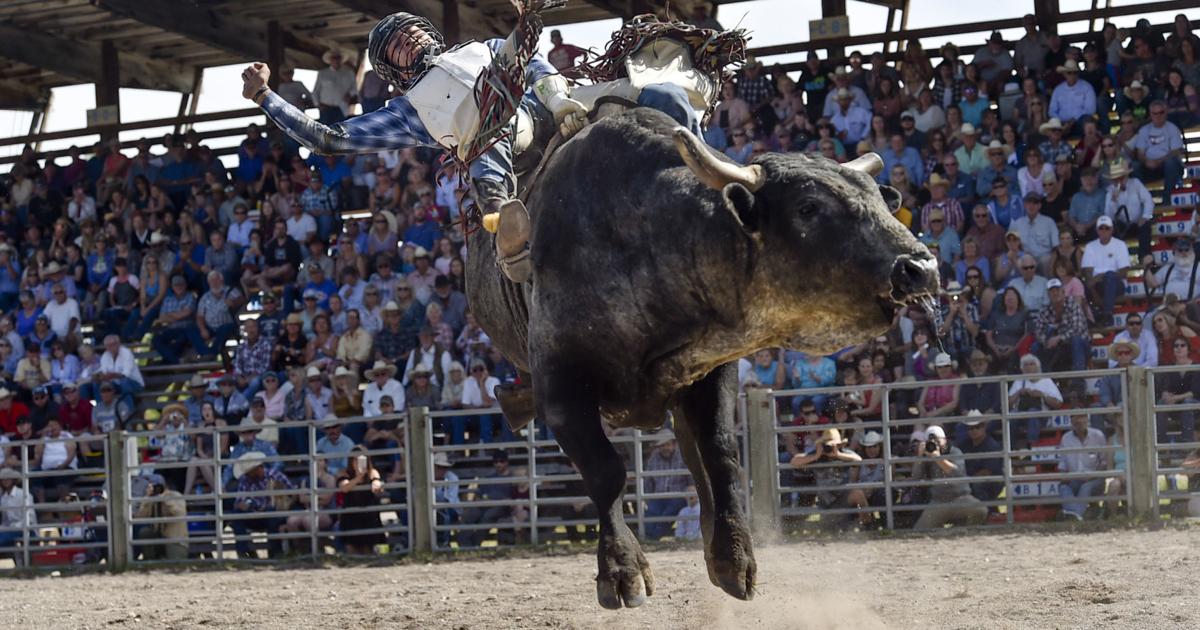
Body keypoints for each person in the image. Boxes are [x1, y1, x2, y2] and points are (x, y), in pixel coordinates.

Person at [911, 425, 987, 529]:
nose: (934, 444)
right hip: (938, 501)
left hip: (961, 498)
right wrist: (920, 457)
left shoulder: (955, 451)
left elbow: (957, 473)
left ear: (945, 439)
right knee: (919, 530)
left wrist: (938, 458)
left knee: (981, 510)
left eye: (937, 440)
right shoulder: (926, 455)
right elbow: (916, 477)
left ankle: (962, 530)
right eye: (931, 441)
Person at [229, 451, 292, 559]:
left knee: (272, 514)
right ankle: (243, 552)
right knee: (237, 514)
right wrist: (241, 505)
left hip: (273, 514)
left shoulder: (275, 476)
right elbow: (239, 501)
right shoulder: (246, 480)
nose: (247, 474)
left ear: (257, 468)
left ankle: (275, 551)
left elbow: (291, 493)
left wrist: (279, 504)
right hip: (254, 515)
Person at [790, 428, 861, 518]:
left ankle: (867, 524)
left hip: (844, 499)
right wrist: (816, 456)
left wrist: (838, 455)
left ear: (839, 445)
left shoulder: (844, 453)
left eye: (833, 445)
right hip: (826, 503)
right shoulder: (817, 455)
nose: (829, 448)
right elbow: (794, 462)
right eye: (827, 445)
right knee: (830, 525)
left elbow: (859, 460)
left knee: (858, 494)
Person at [457, 450, 517, 548]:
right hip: (484, 504)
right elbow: (479, 494)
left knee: (488, 516)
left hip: (502, 507)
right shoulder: (489, 477)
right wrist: (479, 501)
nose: (498, 464)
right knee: (471, 514)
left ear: (507, 462)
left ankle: (474, 544)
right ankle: (464, 543)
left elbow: (513, 497)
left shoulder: (513, 478)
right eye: (496, 462)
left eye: (501, 461)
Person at [1131, 101, 1185, 205]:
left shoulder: (1172, 128)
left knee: (1171, 163)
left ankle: (1167, 198)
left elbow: (1176, 151)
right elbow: (1140, 154)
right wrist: (1146, 161)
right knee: (1134, 165)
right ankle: (1143, 199)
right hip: (1149, 167)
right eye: (1155, 113)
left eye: (1161, 112)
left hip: (1167, 166)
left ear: (1166, 113)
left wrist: (1158, 161)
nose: (1158, 116)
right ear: (1150, 114)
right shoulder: (1144, 130)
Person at [1080, 216, 1130, 327]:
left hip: (1116, 284)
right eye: (1101, 228)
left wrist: (1102, 276)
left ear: (1112, 229)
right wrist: (1093, 290)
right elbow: (1087, 272)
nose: (1104, 230)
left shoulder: (1120, 245)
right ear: (1097, 230)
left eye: (1107, 228)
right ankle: (1091, 317)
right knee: (1078, 283)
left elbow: (1123, 272)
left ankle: (1107, 314)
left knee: (1110, 276)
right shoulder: (1090, 246)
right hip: (1096, 285)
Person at [1057, 414, 1109, 520]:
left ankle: (1073, 514)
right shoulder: (1066, 438)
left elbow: (1104, 463)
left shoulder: (1098, 435)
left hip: (1095, 478)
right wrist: (1063, 476)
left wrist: (1092, 476)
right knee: (1063, 488)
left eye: (1081, 417)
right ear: (1071, 422)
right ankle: (1077, 515)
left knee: (1085, 487)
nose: (1079, 421)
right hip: (1074, 478)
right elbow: (1062, 464)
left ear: (1087, 419)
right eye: (1076, 419)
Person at [337, 446, 386, 555]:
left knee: (368, 551)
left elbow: (377, 482)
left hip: (368, 515)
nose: (357, 462)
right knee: (351, 551)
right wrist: (358, 477)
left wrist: (376, 483)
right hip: (351, 515)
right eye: (355, 459)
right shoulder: (344, 472)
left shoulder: (372, 472)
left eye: (361, 459)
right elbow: (344, 487)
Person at [1007, 354, 1063, 448]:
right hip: (1021, 413)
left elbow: (1058, 403)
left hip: (1040, 415)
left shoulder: (1046, 381)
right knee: (1011, 416)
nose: (1028, 367)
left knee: (1033, 413)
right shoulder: (1019, 381)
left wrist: (1042, 395)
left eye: (1031, 364)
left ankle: (1031, 447)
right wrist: (1019, 393)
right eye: (1026, 365)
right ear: (1022, 369)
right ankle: (1010, 448)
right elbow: (1007, 403)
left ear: (1037, 367)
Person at [1033, 279, 1089, 372]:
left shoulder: (1073, 305)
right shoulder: (1044, 310)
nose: (1055, 293)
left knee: (1076, 340)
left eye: (1057, 290)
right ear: (1048, 295)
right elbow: (1038, 331)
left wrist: (1059, 338)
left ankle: (1078, 378)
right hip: (1055, 347)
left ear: (1063, 292)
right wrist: (1046, 341)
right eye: (1052, 291)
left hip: (1077, 346)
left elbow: (1077, 329)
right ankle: (1044, 378)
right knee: (1036, 346)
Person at [1103, 161, 1154, 260]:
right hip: (1121, 226)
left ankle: (1144, 258)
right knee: (1112, 229)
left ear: (1126, 176)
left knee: (1146, 226)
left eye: (1121, 178)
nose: (1119, 181)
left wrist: (1145, 216)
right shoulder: (1110, 191)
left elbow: (1148, 200)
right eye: (1115, 180)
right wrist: (1113, 201)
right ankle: (1117, 260)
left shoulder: (1135, 183)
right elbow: (1108, 216)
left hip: (1137, 222)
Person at [957, 413, 1003, 502]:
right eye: (971, 428)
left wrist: (967, 481)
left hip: (992, 481)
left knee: (977, 485)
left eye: (977, 427)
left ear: (984, 427)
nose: (974, 430)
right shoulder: (964, 445)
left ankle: (985, 509)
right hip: (969, 480)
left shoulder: (992, 446)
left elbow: (987, 472)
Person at [0, 468, 36, 553]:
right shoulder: (3, 498)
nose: (5, 481)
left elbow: (30, 519)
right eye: (3, 479)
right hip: (10, 530)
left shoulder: (23, 494)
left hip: (27, 529)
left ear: (13, 480)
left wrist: (13, 527)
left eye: (8, 478)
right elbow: (6, 520)